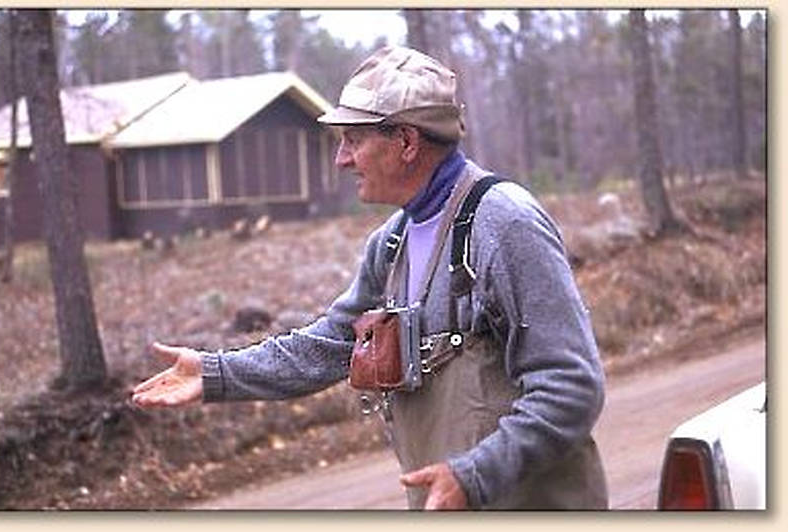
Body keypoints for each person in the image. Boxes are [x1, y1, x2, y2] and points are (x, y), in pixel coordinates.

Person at [132, 45, 608, 510]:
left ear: (405, 142)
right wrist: (215, 373)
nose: (341, 159)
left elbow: (571, 386)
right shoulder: (392, 243)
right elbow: (330, 345)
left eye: (353, 140)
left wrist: (472, 475)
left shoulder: (504, 225)